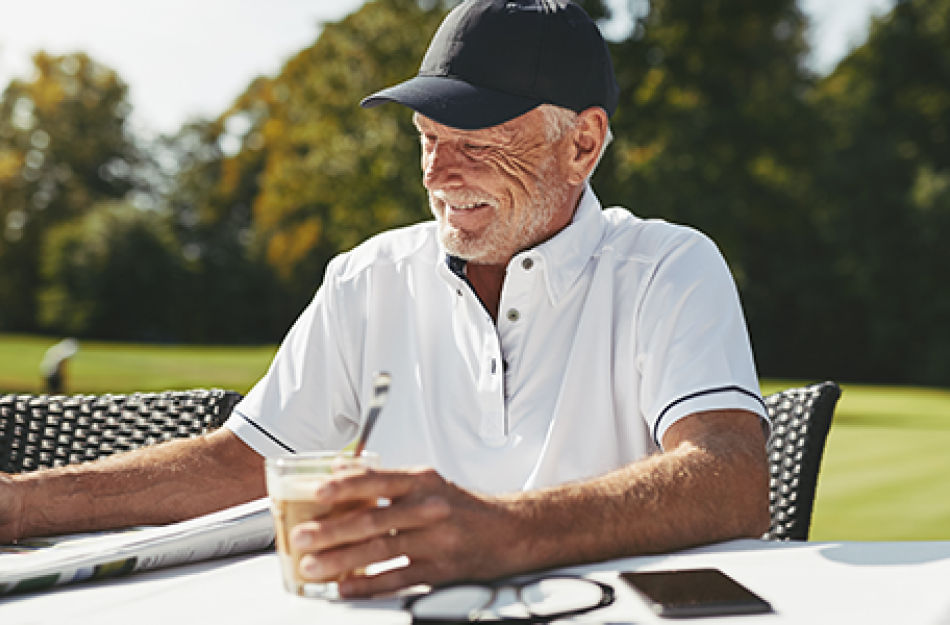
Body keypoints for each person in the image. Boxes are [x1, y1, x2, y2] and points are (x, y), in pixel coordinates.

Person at [0, 0, 770, 599]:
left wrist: (504, 531)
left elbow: (731, 476)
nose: (438, 174)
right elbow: (247, 463)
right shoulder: (368, 277)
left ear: (582, 143)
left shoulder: (668, 264)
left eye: (476, 141)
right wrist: (21, 505)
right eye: (429, 138)